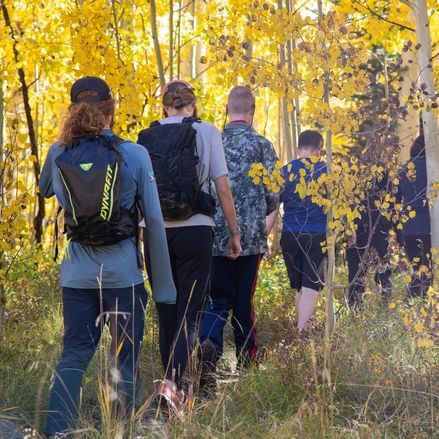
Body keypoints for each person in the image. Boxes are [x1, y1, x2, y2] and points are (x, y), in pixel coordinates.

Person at [39, 76, 176, 437]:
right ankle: (118, 431)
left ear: (72, 110)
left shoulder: (58, 153)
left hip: (76, 277)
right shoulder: (133, 154)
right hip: (123, 277)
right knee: (124, 357)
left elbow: (45, 189)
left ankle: (57, 430)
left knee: (74, 354)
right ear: (110, 108)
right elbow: (155, 221)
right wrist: (163, 290)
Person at [137, 80, 241, 402]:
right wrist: (235, 233)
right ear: (192, 106)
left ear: (165, 106)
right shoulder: (207, 131)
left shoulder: (145, 138)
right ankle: (173, 388)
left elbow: (137, 192)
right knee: (190, 312)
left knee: (167, 310)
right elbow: (222, 187)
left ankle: (172, 387)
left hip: (155, 232)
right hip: (196, 229)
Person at [198, 86, 279, 385]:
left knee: (218, 299)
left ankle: (209, 342)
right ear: (253, 110)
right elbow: (273, 194)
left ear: (227, 109)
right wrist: (257, 214)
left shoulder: (211, 142)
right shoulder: (263, 146)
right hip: (252, 238)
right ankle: (247, 363)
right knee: (244, 301)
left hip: (214, 236)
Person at [280, 130, 327, 331]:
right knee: (311, 285)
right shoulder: (326, 171)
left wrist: (263, 234)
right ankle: (301, 331)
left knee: (300, 286)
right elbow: (339, 206)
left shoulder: (284, 171)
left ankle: (302, 329)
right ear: (320, 150)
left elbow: (273, 206)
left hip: (290, 235)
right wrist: (350, 231)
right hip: (317, 234)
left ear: (299, 149)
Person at [346, 172, 393, 308]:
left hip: (365, 230)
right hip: (362, 232)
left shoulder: (352, 175)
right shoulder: (382, 175)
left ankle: (359, 307)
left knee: (363, 272)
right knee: (378, 271)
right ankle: (362, 306)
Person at [398, 134, 432, 298]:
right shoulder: (432, 169)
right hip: (428, 226)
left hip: (408, 226)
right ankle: (426, 309)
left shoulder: (404, 169)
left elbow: (397, 200)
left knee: (417, 269)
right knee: (429, 270)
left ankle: (412, 303)